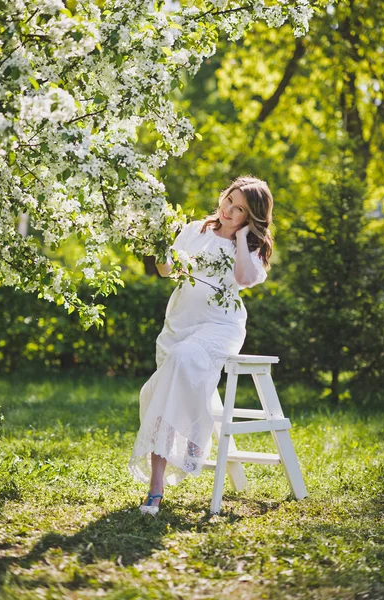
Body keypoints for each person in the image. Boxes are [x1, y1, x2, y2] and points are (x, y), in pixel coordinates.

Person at [128, 175, 274, 514]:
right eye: (229, 200)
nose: (228, 210)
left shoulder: (250, 249)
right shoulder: (195, 230)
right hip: (179, 324)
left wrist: (239, 238)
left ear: (250, 217)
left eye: (239, 210)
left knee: (180, 363)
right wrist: (161, 242)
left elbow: (243, 279)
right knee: (168, 383)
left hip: (220, 328)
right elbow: (167, 271)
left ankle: (156, 486)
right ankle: (188, 448)